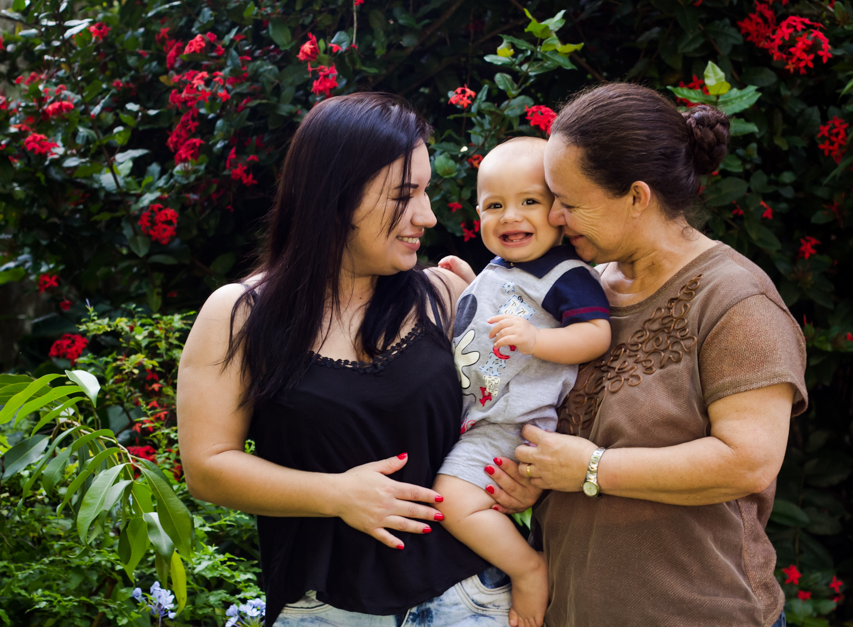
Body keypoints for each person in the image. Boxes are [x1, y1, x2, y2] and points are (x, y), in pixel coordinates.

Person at [176, 93, 513, 627]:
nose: (425, 216)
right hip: (326, 609)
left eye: (426, 192)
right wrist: (335, 493)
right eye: (404, 195)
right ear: (336, 195)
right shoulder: (240, 315)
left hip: (473, 600)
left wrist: (515, 470)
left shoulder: (446, 294)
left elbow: (507, 413)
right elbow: (207, 466)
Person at [479, 83, 808, 627]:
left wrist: (591, 469)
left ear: (636, 197)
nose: (555, 217)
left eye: (569, 201)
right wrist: (531, 476)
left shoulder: (734, 301)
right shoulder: (577, 291)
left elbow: (747, 462)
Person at [434, 138, 611, 627]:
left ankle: (528, 569)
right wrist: (470, 279)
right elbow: (497, 312)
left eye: (529, 202)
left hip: (513, 422)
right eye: (495, 205)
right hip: (483, 414)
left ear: (559, 209)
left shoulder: (565, 274)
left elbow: (596, 334)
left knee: (451, 499)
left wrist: (536, 340)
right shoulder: (502, 268)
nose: (510, 216)